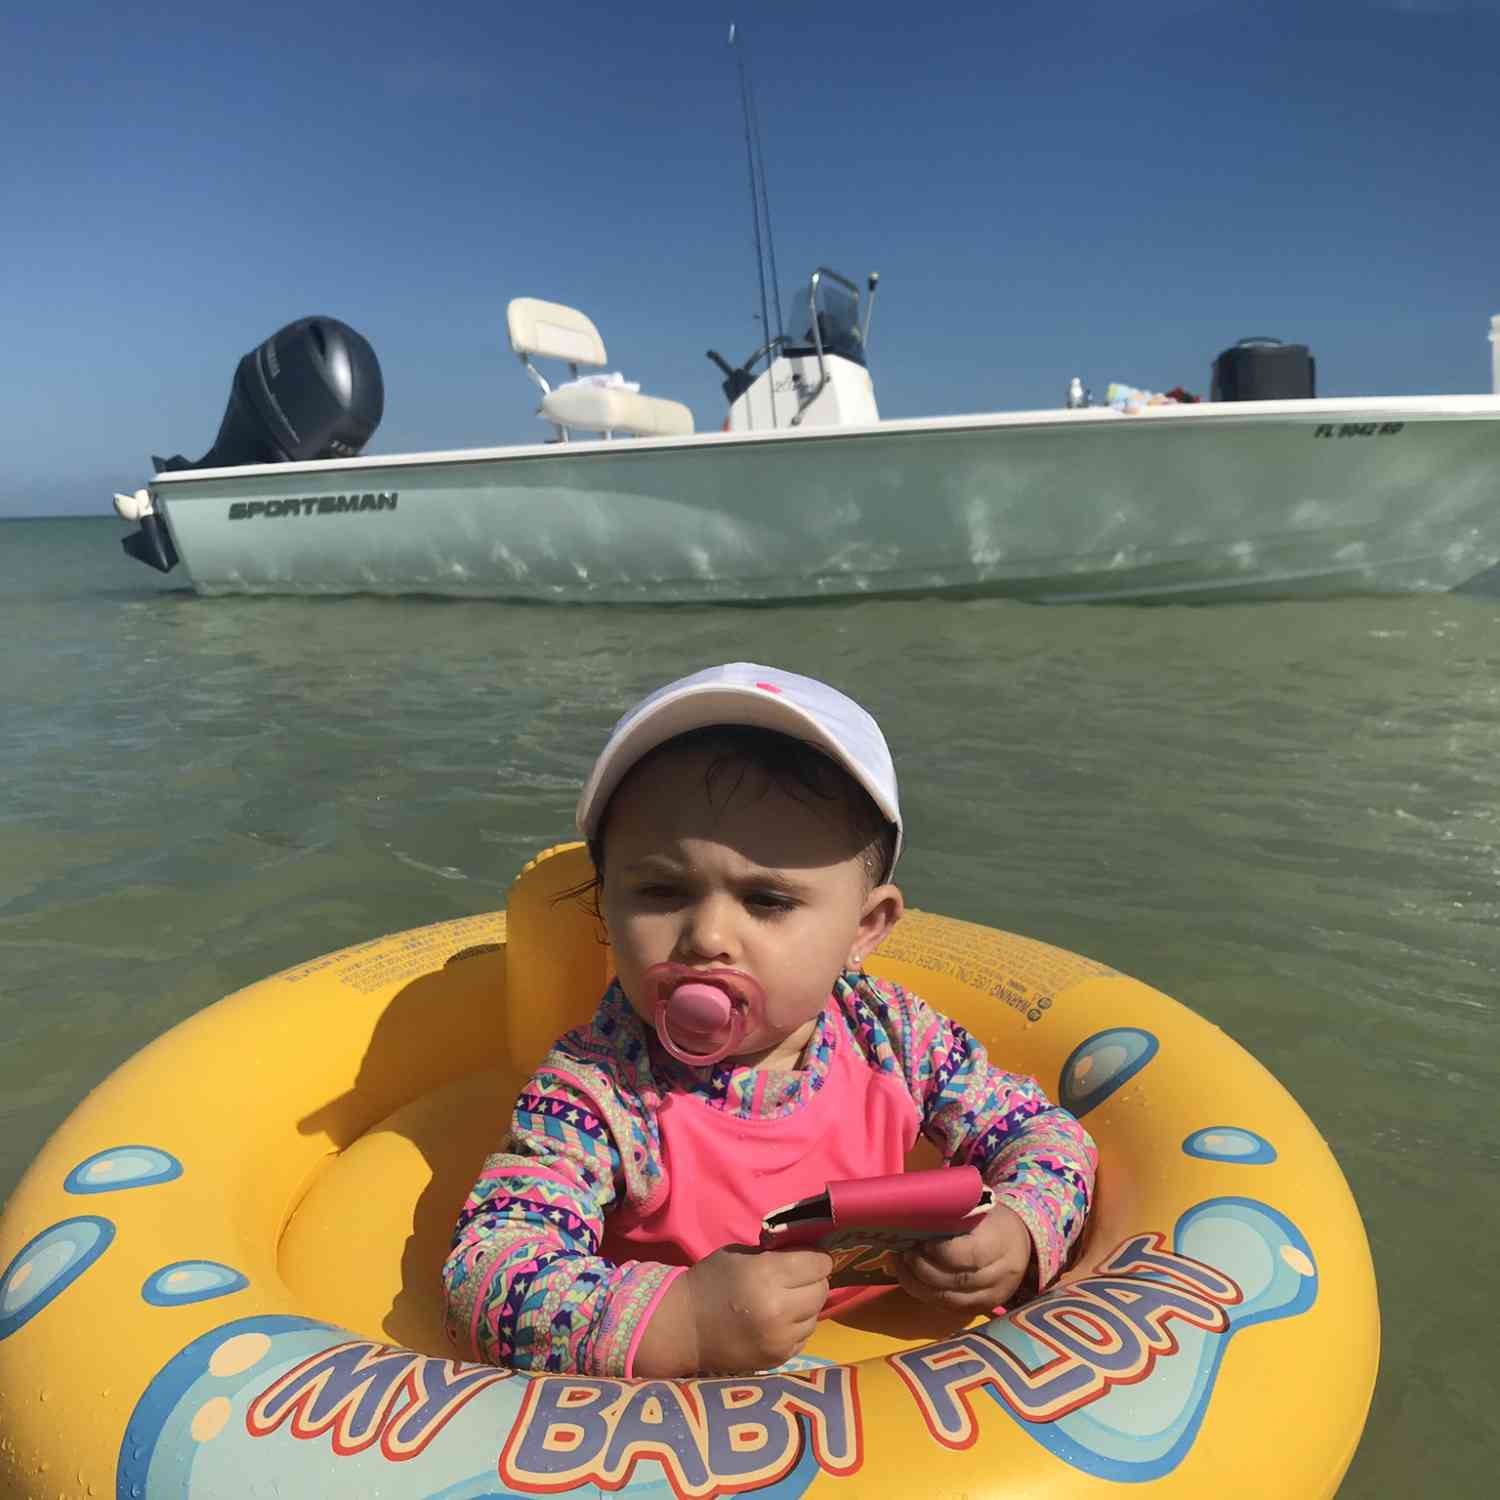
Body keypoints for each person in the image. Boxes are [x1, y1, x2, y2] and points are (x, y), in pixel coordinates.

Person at [443, 663, 1096, 1378]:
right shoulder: (599, 1091)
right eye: (661, 890)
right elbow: (490, 1271)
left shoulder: (892, 1037)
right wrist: (683, 1319)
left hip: (887, 1383)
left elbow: (1039, 1132)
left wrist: (1018, 1227)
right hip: (679, 1415)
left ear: (865, 928)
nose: (707, 936)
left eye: (767, 901)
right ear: (607, 905)